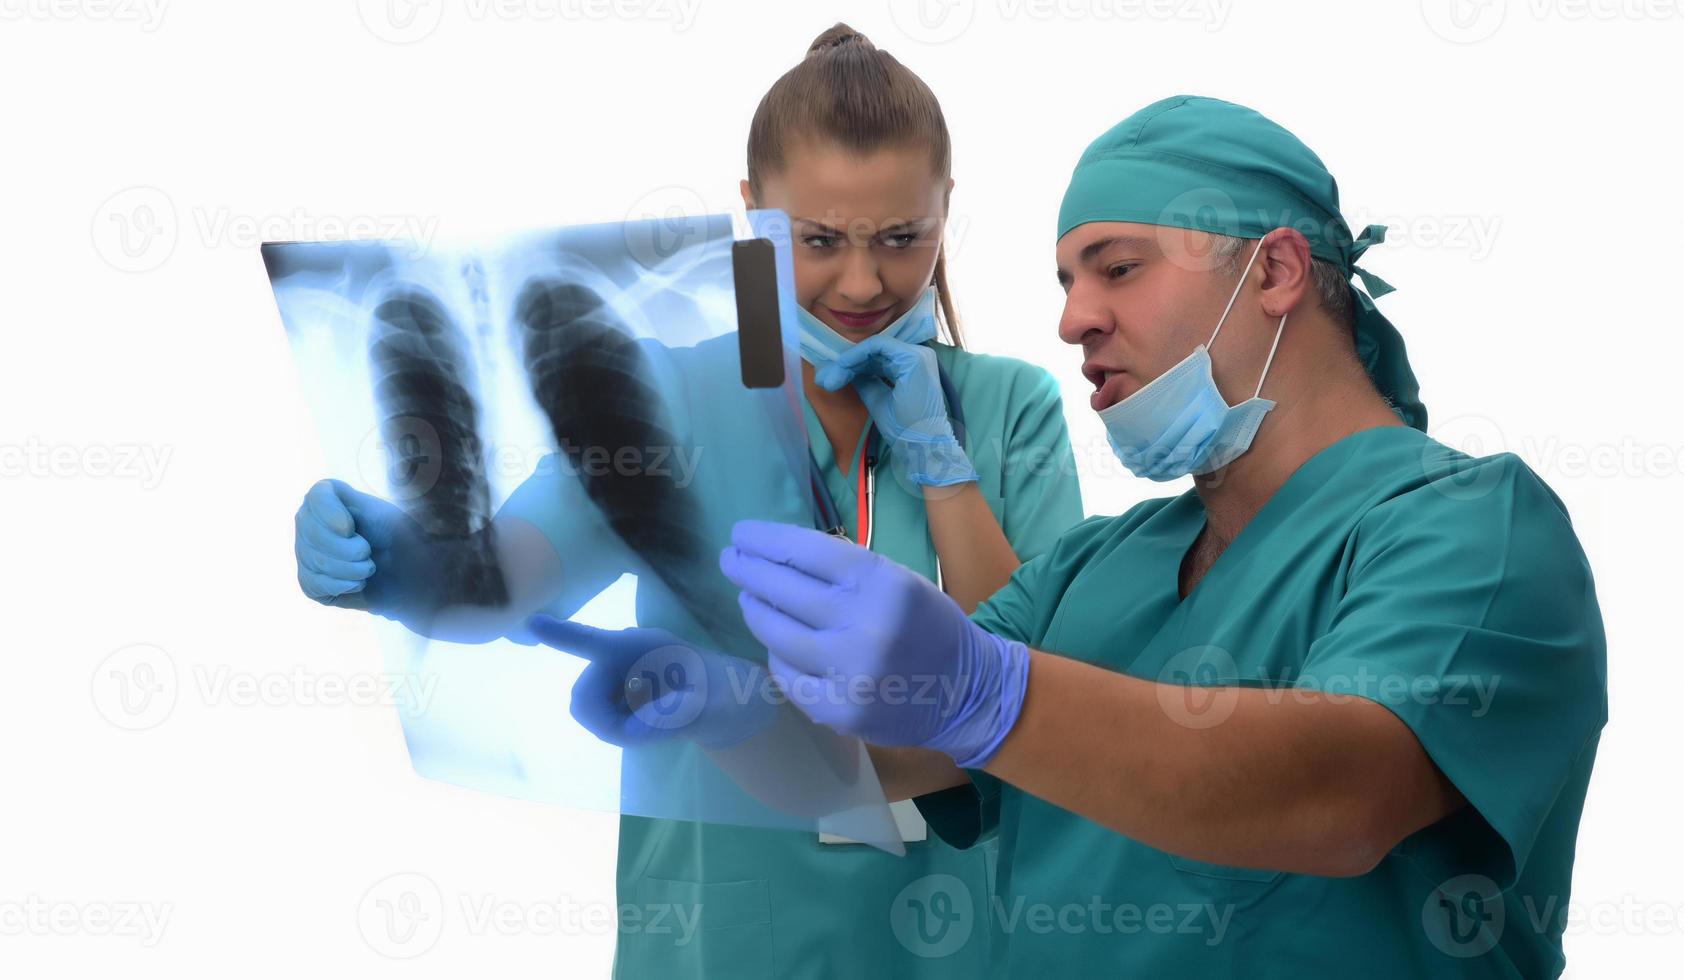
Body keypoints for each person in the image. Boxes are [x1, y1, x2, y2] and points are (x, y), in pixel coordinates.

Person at [704, 96, 1608, 978]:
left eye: (1118, 268)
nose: (1073, 320)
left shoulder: (1475, 528)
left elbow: (1342, 794)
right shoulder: (1092, 569)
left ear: (1274, 272)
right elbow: (899, 751)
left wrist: (988, 693)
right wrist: (726, 713)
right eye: (1067, 282)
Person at [293, 23, 1083, 979]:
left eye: (901, 239)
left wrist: (943, 460)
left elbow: (1041, 693)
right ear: (750, 214)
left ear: (946, 211)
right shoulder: (669, 397)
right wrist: (389, 561)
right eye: (820, 241)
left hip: (948, 941)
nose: (864, 282)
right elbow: (498, 589)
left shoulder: (1009, 408)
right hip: (717, 941)